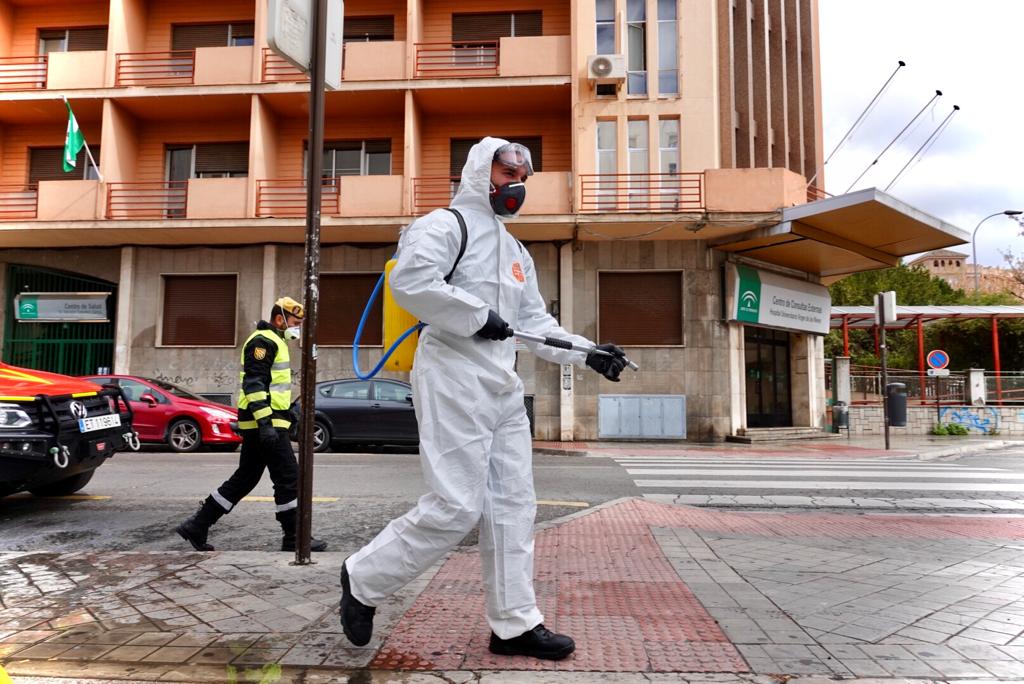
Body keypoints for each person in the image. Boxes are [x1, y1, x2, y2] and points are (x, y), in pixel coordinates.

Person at [338, 138, 627, 660]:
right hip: (451, 374)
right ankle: (363, 578)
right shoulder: (445, 226)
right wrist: (477, 316)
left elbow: (534, 323)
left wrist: (588, 353)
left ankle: (515, 624)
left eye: (522, 173)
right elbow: (411, 282)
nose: (515, 181)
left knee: (514, 507)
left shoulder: (516, 252)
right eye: (506, 169)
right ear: (478, 171)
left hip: (501, 384)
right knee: (456, 506)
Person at [176, 296, 328, 553]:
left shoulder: (276, 341)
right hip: (263, 426)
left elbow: (271, 387)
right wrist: (266, 424)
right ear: (279, 319)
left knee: (245, 478)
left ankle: (198, 524)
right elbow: (254, 385)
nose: (297, 328)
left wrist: (290, 411)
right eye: (295, 322)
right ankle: (293, 536)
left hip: (266, 423)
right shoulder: (262, 341)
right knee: (288, 476)